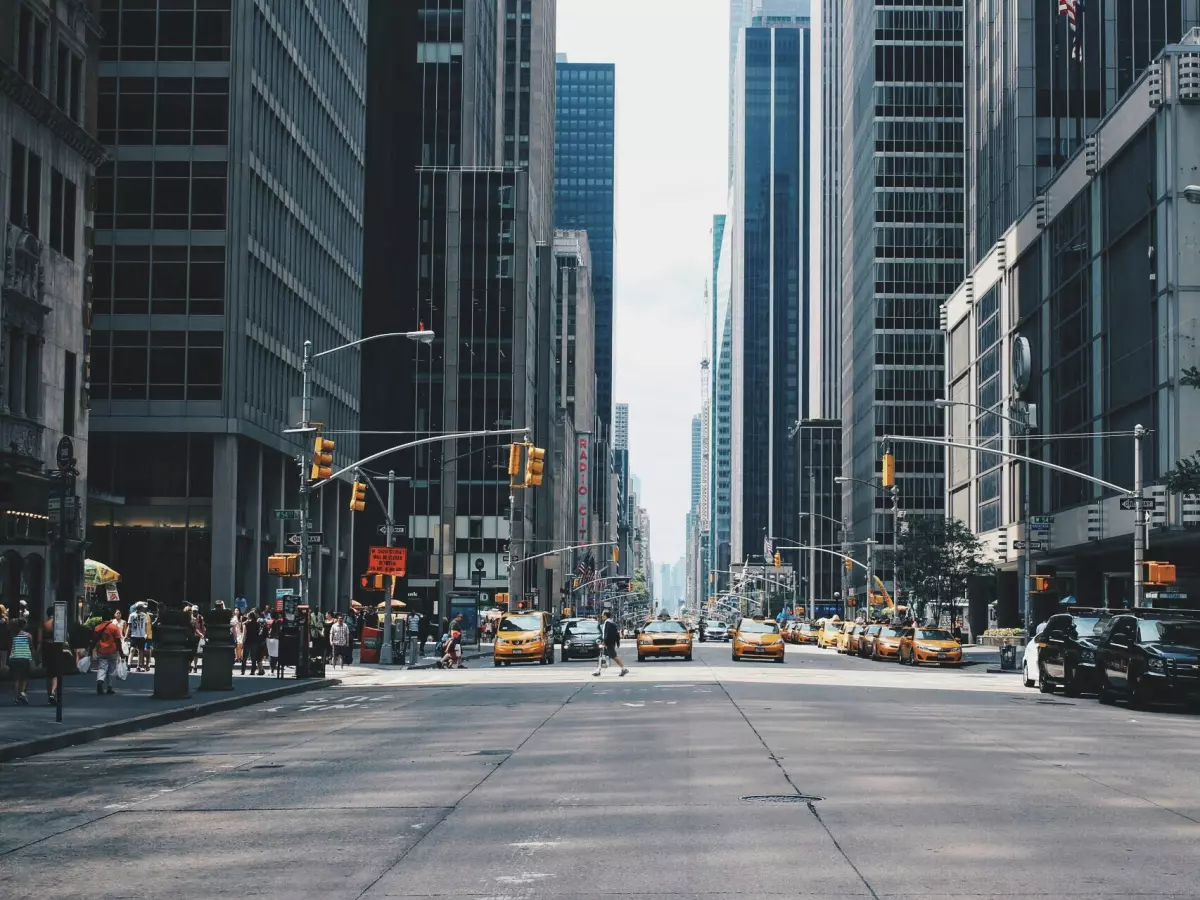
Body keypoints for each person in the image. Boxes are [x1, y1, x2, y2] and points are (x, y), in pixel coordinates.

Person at [92, 613, 126, 695]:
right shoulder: (114, 627)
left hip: (101, 650)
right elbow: (118, 641)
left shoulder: (98, 627)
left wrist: (91, 650)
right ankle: (109, 687)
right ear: (110, 619)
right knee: (111, 670)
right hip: (112, 651)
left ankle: (100, 680)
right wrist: (121, 653)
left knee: (102, 668)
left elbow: (94, 640)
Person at [9, 617, 35, 704]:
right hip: (25, 658)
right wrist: (34, 658)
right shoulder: (28, 635)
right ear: (24, 625)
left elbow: (10, 647)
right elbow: (31, 647)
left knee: (16, 679)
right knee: (24, 678)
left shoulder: (13, 635)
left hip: (14, 658)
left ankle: (16, 697)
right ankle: (22, 693)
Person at [595, 610, 628, 677]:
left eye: (603, 615)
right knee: (601, 656)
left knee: (614, 656)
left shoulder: (608, 623)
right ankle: (598, 671)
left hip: (608, 643)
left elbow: (608, 634)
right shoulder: (610, 622)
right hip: (608, 643)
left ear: (605, 615)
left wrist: (606, 642)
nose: (602, 616)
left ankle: (624, 669)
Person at [128, 602, 151, 672]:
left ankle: (139, 665)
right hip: (134, 635)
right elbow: (129, 626)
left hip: (142, 635)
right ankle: (129, 664)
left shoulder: (144, 615)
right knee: (132, 649)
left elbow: (146, 625)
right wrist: (128, 634)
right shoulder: (132, 615)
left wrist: (146, 634)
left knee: (141, 650)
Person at [189, 606, 206, 673]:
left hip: (198, 637)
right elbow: (194, 628)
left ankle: (195, 666)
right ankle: (189, 665)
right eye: (193, 611)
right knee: (191, 652)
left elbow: (203, 627)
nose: (194, 612)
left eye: (196, 611)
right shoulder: (190, 618)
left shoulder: (200, 618)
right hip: (191, 636)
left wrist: (203, 634)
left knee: (196, 653)